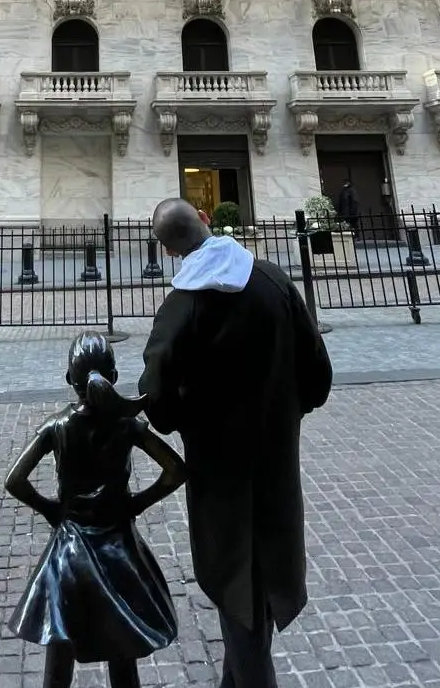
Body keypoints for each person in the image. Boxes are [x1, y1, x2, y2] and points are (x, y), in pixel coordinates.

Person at [138, 198, 333, 688]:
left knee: (237, 578)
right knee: (260, 573)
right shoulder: (273, 279)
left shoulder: (182, 307)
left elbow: (155, 394)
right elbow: (318, 373)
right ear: (206, 219)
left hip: (219, 465)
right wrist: (286, 410)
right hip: (275, 455)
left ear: (168, 251)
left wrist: (185, 420)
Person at [6, 331, 188, 688]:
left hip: (69, 553)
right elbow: (175, 470)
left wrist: (50, 509)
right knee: (123, 643)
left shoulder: (57, 426)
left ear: (68, 380)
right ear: (114, 378)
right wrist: (136, 503)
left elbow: (15, 480)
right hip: (118, 550)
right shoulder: (126, 425)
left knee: (59, 642)